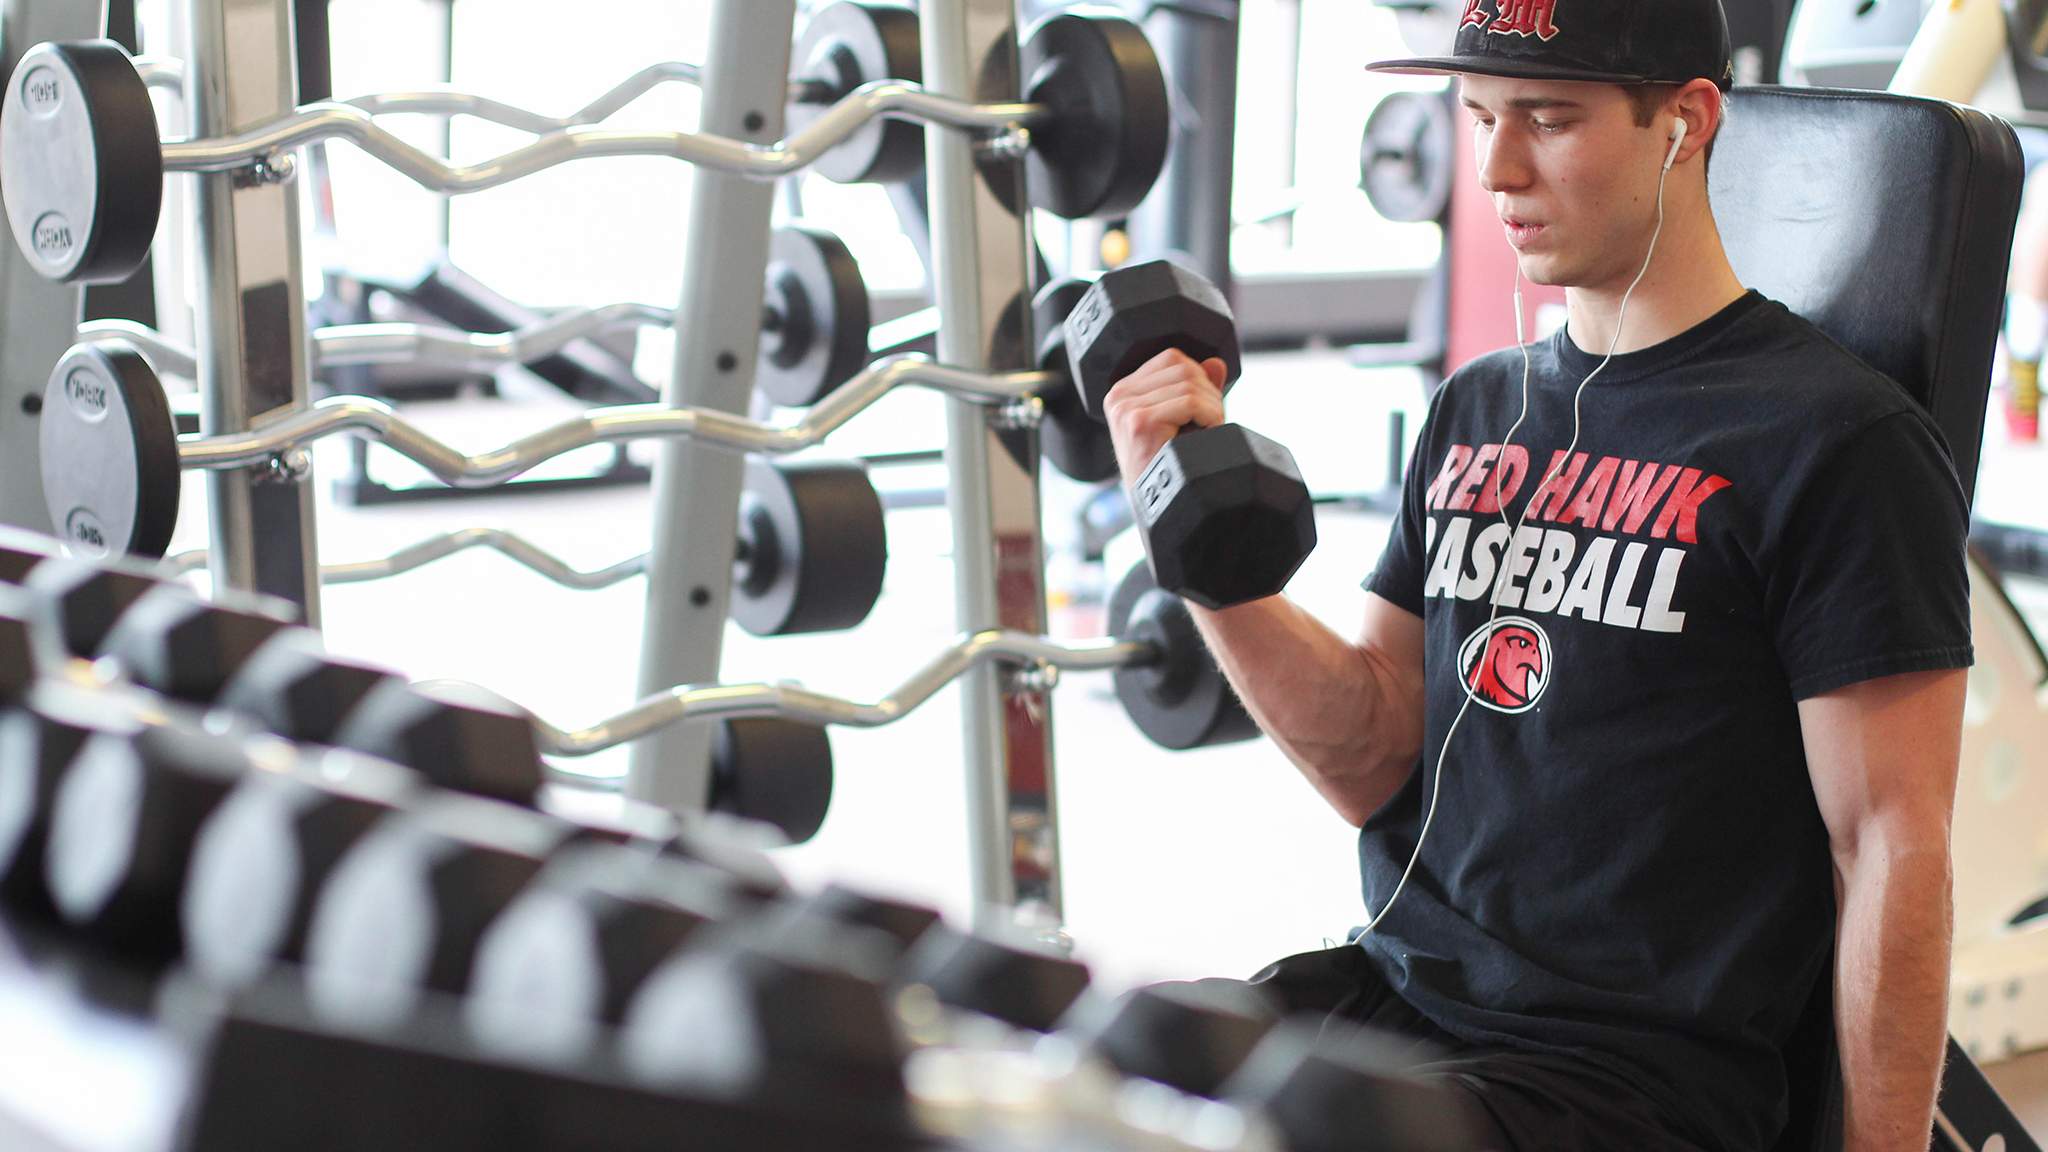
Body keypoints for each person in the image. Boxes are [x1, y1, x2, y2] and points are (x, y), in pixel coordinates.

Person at [1100, 1, 1974, 1149]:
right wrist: (1199, 553)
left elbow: (1889, 850)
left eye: (1548, 120)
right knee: (1101, 1065)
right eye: (1477, 118)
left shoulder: (1833, 440)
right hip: (1401, 1001)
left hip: (1632, 1078)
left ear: (1683, 122)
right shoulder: (1475, 406)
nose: (1497, 168)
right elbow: (1373, 754)